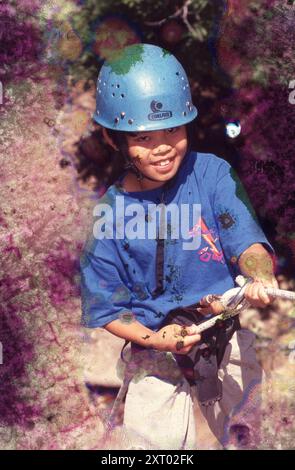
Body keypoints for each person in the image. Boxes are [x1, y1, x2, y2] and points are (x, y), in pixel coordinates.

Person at [80, 43, 278, 449]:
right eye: (144, 137)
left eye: (173, 129)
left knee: (253, 439)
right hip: (154, 351)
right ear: (113, 138)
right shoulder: (109, 216)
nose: (163, 146)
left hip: (223, 334)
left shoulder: (211, 174)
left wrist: (259, 275)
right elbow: (106, 306)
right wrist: (158, 341)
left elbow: (246, 240)